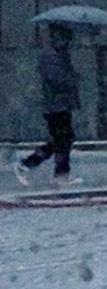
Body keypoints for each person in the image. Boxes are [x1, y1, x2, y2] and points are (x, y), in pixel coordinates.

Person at [15, 24, 81, 186]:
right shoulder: (51, 57)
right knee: (63, 140)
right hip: (55, 105)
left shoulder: (60, 56)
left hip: (61, 104)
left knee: (62, 139)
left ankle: (28, 164)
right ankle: (60, 174)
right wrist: (71, 78)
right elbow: (58, 79)